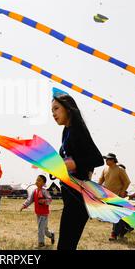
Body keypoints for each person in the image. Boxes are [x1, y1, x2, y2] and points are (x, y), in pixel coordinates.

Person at [52, 93, 104, 250]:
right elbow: (70, 162)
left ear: (68, 109)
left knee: (65, 246)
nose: (53, 113)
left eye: (56, 108)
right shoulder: (66, 131)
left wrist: (75, 164)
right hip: (70, 195)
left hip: (79, 198)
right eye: (51, 110)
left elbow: (97, 159)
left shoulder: (77, 130)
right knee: (66, 245)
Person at [99, 153, 131, 241]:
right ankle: (127, 227)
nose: (106, 160)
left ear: (113, 160)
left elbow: (127, 182)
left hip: (117, 196)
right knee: (116, 215)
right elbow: (100, 181)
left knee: (115, 215)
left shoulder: (120, 169)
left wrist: (122, 192)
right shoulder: (105, 169)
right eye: (106, 159)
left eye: (108, 159)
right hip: (107, 196)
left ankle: (114, 234)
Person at [20, 175, 54, 248]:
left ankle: (41, 243)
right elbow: (30, 199)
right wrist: (24, 205)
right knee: (44, 230)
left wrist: (44, 201)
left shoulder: (45, 191)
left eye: (39, 180)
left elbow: (50, 199)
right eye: (37, 180)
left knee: (40, 229)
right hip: (38, 213)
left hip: (44, 214)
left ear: (43, 183)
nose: (37, 181)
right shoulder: (34, 191)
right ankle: (51, 235)